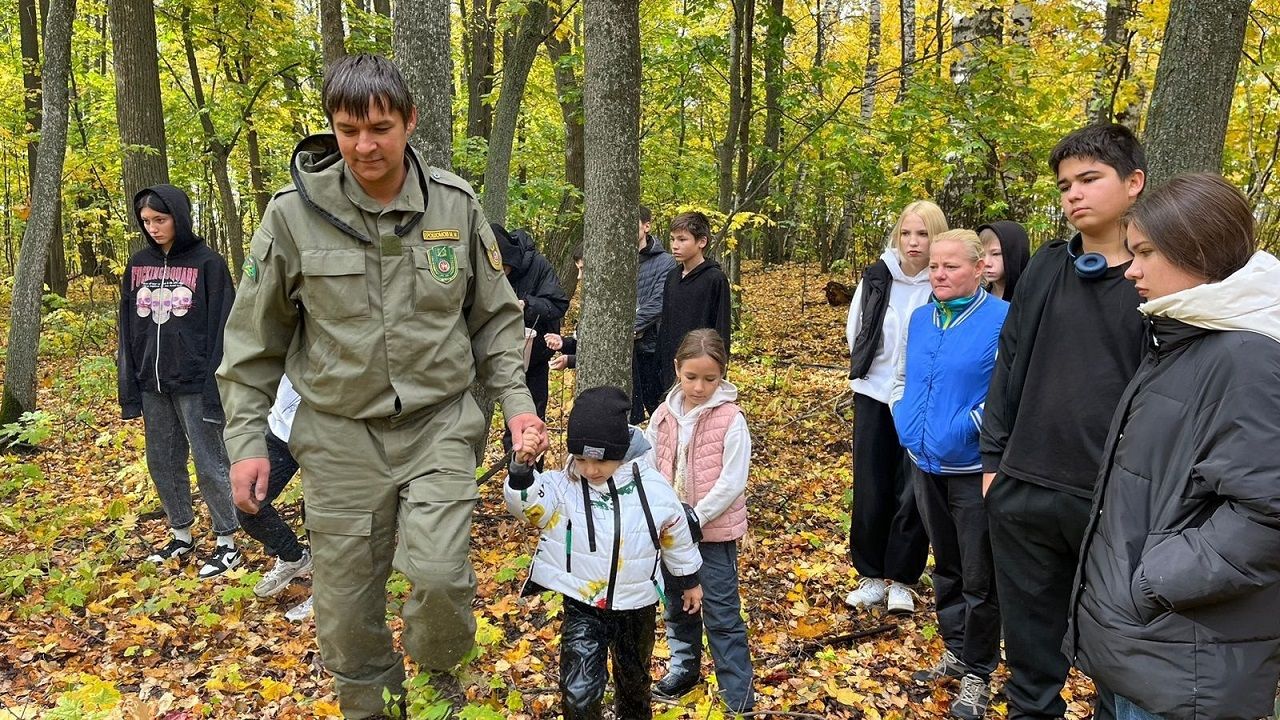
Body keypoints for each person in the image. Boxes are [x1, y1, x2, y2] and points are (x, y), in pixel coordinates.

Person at [216, 54, 546, 719]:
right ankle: (375, 706)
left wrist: (518, 408)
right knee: (345, 609)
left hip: (439, 424)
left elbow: (496, 320)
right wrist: (248, 441)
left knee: (443, 576)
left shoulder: (453, 204)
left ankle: (436, 671)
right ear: (332, 129)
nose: (364, 145)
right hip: (340, 436)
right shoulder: (291, 217)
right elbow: (253, 343)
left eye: (379, 127)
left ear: (408, 122)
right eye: (347, 129)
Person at [1066, 174, 1280, 720]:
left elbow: (1267, 514)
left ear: (1198, 250)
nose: (1131, 269)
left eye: (1145, 252)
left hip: (1183, 668)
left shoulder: (1246, 359)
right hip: (1144, 651)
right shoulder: (1185, 340)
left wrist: (1152, 583)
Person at [980, 123, 1146, 720]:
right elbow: (1011, 362)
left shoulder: (1159, 276)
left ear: (1133, 184)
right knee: (1029, 653)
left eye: (1089, 179)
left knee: (1116, 650)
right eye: (1065, 184)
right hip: (1024, 485)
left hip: (1112, 498)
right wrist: (994, 463)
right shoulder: (1049, 266)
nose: (1073, 194)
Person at [505, 386, 703, 720]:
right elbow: (529, 508)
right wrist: (522, 470)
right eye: (581, 459)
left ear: (621, 451)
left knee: (634, 686)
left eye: (602, 460)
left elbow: (676, 535)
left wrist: (689, 580)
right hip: (584, 604)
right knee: (579, 693)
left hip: (636, 605)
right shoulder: (562, 485)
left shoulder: (652, 489)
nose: (591, 470)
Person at [891, 230, 1006, 719]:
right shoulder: (921, 318)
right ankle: (957, 650)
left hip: (971, 469)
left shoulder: (1001, 320)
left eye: (951, 266)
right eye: (935, 265)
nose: (938, 273)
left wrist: (965, 429)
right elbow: (902, 375)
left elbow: (1005, 395)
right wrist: (901, 414)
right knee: (948, 565)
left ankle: (979, 670)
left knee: (981, 572)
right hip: (923, 464)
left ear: (979, 268)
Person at [117, 184, 241, 579]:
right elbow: (128, 328)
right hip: (152, 383)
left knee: (210, 462)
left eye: (161, 219)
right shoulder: (137, 266)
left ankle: (227, 542)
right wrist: (129, 386)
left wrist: (216, 383)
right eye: (146, 221)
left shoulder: (208, 264)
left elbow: (225, 326)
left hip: (196, 383)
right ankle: (181, 533)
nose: (153, 227)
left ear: (179, 217)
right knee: (164, 462)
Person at [843, 200, 946, 613]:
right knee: (871, 485)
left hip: (921, 399)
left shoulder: (942, 281)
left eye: (922, 234)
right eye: (907, 233)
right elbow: (857, 330)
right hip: (872, 393)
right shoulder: (876, 277)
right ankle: (870, 575)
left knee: (912, 489)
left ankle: (903, 578)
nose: (913, 242)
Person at [644, 329, 754, 712]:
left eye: (710, 378)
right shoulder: (662, 415)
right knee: (676, 606)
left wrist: (698, 515)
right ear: (677, 369)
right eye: (691, 377)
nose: (700, 386)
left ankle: (737, 695)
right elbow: (648, 465)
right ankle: (684, 668)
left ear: (722, 374)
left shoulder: (731, 418)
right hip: (670, 535)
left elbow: (732, 479)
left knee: (721, 612)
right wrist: (661, 515)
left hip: (711, 535)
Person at [493, 223, 569, 461]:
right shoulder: (488, 268)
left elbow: (558, 304)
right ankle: (509, 473)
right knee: (507, 422)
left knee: (532, 419)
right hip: (497, 353)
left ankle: (530, 478)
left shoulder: (538, 266)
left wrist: (526, 305)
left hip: (533, 356)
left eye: (503, 268)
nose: (499, 273)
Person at [237, 376, 312, 601]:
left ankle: (329, 594)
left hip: (330, 435)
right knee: (248, 506)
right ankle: (293, 557)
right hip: (281, 429)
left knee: (321, 515)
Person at [656, 211, 732, 390]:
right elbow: (665, 322)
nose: (675, 246)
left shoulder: (715, 279)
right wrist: (659, 361)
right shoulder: (672, 277)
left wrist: (718, 369)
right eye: (673, 239)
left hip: (701, 366)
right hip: (671, 364)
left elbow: (721, 328)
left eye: (682, 240)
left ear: (702, 242)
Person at [633, 205, 678, 421]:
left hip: (651, 348)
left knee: (659, 411)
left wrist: (630, 326)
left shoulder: (666, 262)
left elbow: (659, 302)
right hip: (625, 351)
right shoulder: (614, 261)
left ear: (646, 226)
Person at [976, 221, 1030, 301]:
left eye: (996, 254)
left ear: (1015, 254)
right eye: (982, 254)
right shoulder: (977, 298)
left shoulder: (1032, 300)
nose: (986, 263)